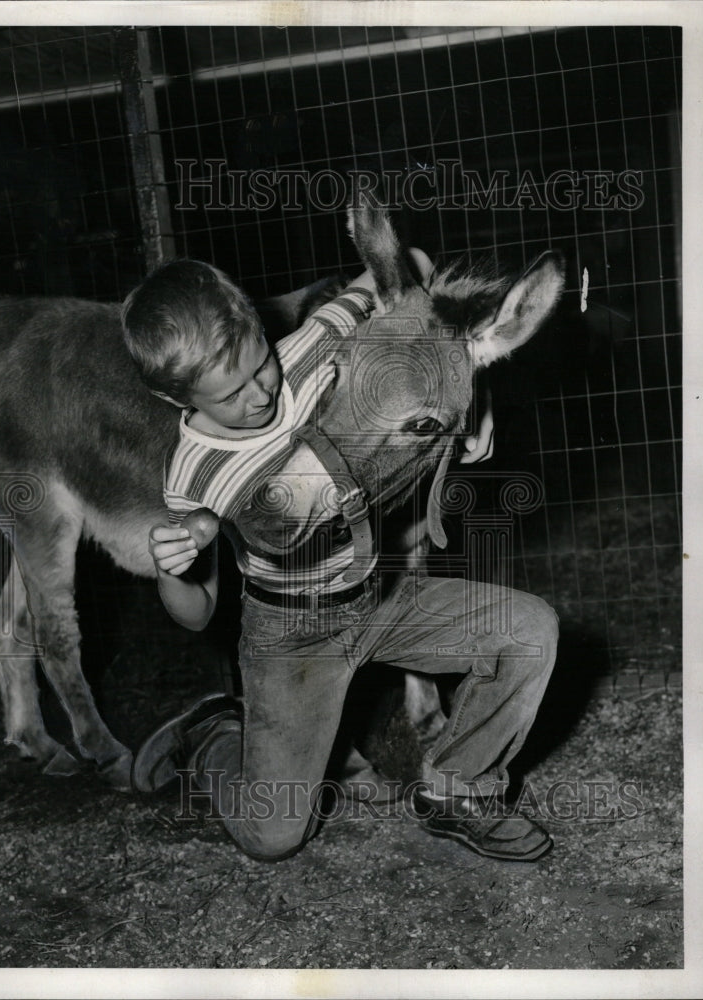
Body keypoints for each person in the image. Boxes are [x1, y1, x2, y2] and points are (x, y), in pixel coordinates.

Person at [123, 252, 558, 863]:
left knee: (531, 632)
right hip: (289, 634)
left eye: (260, 366)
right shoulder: (196, 474)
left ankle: (457, 791)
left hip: (378, 597)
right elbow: (197, 614)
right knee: (273, 838)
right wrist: (175, 569)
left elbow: (412, 268)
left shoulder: (307, 347)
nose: (259, 396)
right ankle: (214, 735)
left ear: (259, 329)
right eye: (230, 394)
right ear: (178, 400)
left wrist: (472, 397)